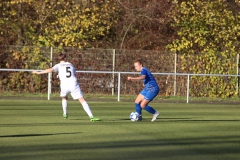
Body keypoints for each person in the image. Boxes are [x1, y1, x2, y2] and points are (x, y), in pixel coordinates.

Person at [32, 52, 101, 121]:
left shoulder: (58, 65)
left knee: (64, 98)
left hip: (64, 84)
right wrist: (60, 74)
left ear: (59, 59)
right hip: (73, 84)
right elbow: (72, 73)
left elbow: (50, 70)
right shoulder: (70, 64)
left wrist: (38, 72)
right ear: (65, 58)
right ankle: (91, 116)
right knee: (81, 100)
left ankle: (65, 113)